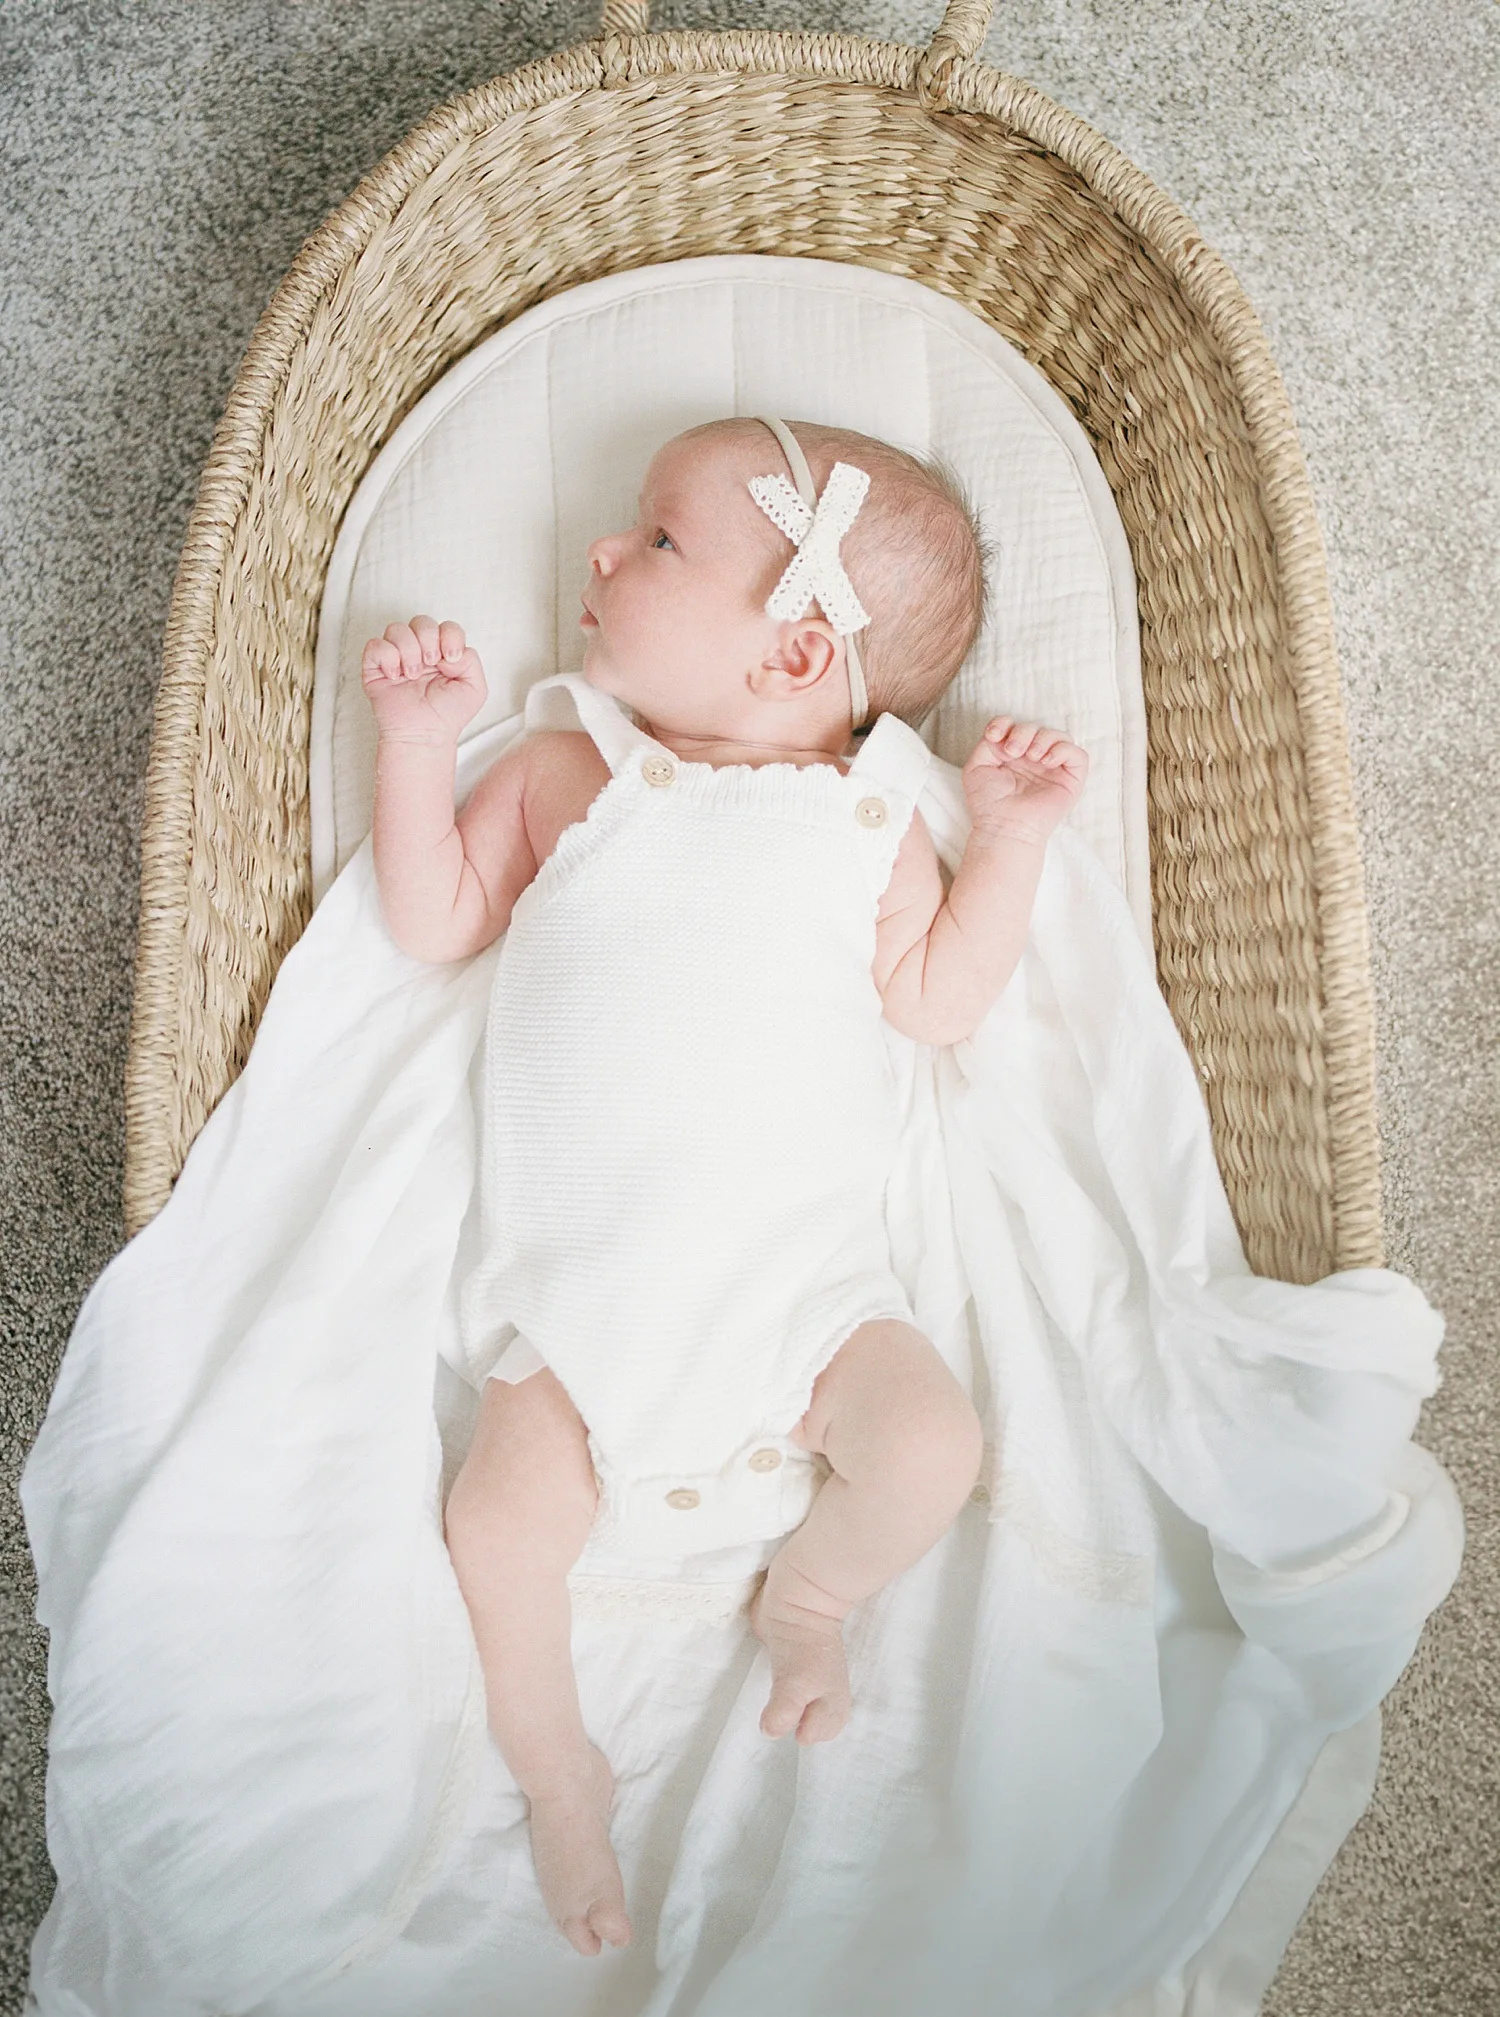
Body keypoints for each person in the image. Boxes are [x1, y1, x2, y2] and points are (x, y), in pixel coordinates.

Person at [359, 414, 1088, 1959]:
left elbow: (938, 1001)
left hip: (806, 1300)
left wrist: (1010, 844)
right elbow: (435, 920)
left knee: (933, 1446)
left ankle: (810, 1599)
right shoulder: (570, 774)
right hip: (583, 1314)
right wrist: (418, 745)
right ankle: (556, 1768)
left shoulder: (868, 825)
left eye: (659, 540)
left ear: (796, 653)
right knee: (499, 1527)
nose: (603, 550)